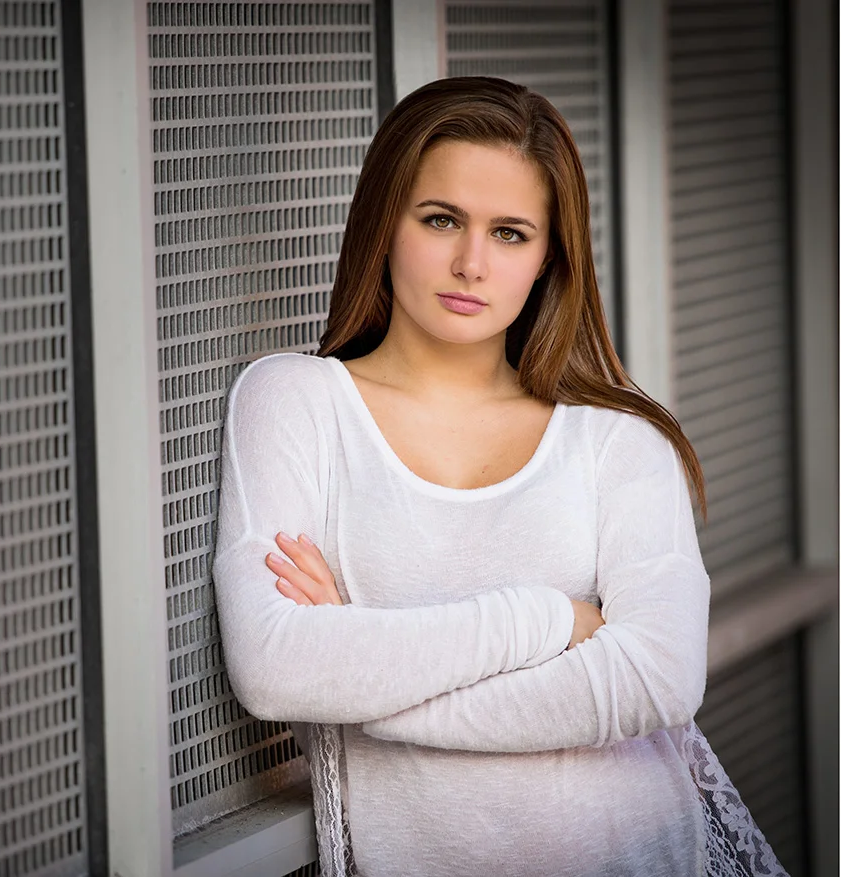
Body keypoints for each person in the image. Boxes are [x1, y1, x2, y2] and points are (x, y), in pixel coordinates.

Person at [212, 77, 782, 877]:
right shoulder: (296, 401)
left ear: (549, 257)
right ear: (384, 222)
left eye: (510, 233)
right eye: (440, 219)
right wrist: (549, 619)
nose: (470, 263)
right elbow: (279, 668)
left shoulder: (617, 439)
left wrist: (372, 691)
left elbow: (658, 678)